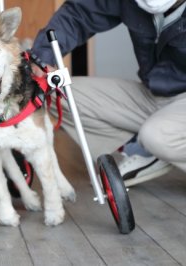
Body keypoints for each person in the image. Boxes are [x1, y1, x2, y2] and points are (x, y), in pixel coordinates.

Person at [31, 0, 186, 186]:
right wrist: (43, 57)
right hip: (154, 93)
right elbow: (79, 14)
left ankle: (160, 143)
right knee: (54, 93)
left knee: (158, 136)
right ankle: (141, 151)